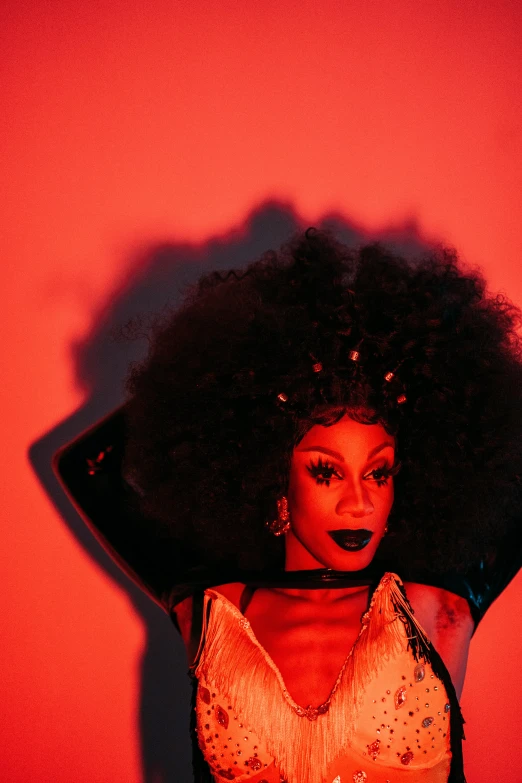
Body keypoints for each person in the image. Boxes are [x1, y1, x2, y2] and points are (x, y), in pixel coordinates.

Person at [54, 229, 522, 783]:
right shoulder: (214, 606)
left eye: (379, 472)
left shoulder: (439, 604)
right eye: (326, 471)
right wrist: (227, 366)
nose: (358, 502)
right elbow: (88, 465)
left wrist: (446, 359)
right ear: (275, 480)